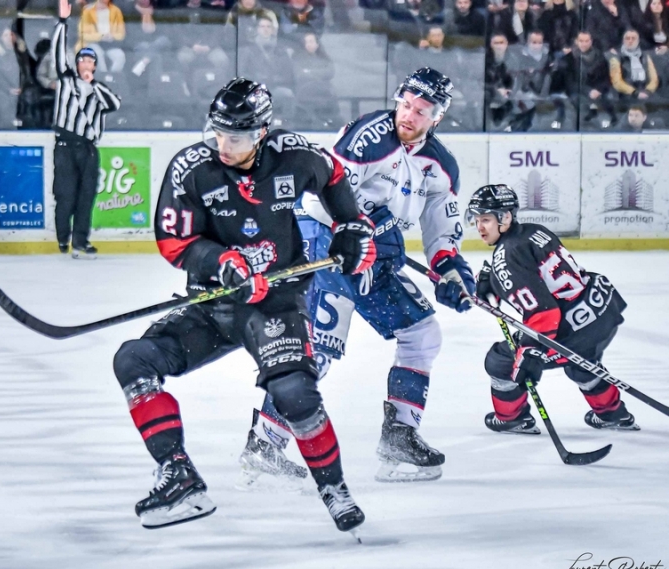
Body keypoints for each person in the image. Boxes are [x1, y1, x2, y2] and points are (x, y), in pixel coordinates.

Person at [113, 78, 374, 532]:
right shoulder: (191, 168)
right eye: (217, 132)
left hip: (274, 301)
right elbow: (175, 241)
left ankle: (334, 488)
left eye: (234, 136)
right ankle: (179, 476)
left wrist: (352, 225)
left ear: (260, 133)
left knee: (294, 393)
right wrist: (222, 262)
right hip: (214, 302)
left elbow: (334, 177)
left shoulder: (294, 155)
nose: (222, 144)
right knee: (133, 360)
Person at [238, 68, 476, 487]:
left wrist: (451, 269)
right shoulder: (369, 136)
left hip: (376, 256)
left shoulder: (442, 167)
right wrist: (370, 227)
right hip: (326, 243)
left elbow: (441, 230)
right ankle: (264, 444)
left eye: (421, 111)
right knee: (318, 350)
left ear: (436, 117)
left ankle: (400, 436)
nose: (409, 115)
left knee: (422, 333)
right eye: (406, 104)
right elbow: (328, 195)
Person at [467, 184, 639, 433]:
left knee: (501, 361)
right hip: (601, 309)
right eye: (476, 219)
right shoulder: (534, 231)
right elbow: (539, 275)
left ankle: (511, 418)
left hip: (571, 328)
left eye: (485, 219)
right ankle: (612, 414)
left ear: (505, 217)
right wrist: (494, 280)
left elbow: (543, 313)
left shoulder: (506, 256)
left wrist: (529, 352)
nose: (479, 227)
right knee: (581, 361)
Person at [52, 0, 121, 258]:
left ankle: (80, 240)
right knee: (65, 196)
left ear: (94, 66)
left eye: (90, 60)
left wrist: (93, 85)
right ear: (77, 63)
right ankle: (62, 239)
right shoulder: (66, 81)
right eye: (82, 59)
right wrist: (62, 22)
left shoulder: (98, 90)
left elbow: (114, 104)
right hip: (65, 147)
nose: (85, 63)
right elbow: (58, 52)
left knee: (86, 198)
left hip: (89, 149)